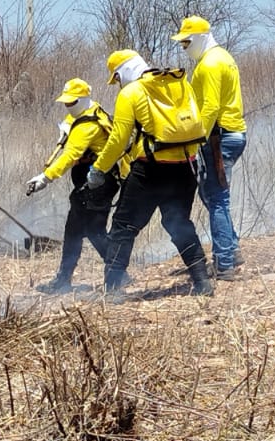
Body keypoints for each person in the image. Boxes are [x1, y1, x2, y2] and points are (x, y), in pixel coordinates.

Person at [87, 49, 213, 297]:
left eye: (117, 78)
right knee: (178, 223)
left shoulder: (131, 93)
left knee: (124, 227)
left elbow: (118, 139)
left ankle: (111, 291)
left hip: (150, 171)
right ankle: (202, 281)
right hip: (185, 167)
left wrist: (98, 169)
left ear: (123, 71)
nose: (118, 84)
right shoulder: (179, 83)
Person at [24, 79, 121, 294]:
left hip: (97, 184)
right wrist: (67, 126)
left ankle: (114, 274)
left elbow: (70, 155)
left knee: (85, 230)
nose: (68, 106)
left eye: (72, 102)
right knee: (83, 230)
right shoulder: (93, 110)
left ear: (84, 98)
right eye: (66, 103)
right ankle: (108, 273)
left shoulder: (87, 125)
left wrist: (45, 177)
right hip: (98, 182)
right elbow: (73, 119)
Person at [172, 16, 248, 280]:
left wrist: (196, 140)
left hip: (219, 137)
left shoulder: (211, 64)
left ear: (201, 37)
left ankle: (225, 263)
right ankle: (231, 249)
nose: (184, 47)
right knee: (212, 196)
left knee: (216, 199)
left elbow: (212, 107)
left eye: (186, 42)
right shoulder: (222, 57)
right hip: (230, 134)